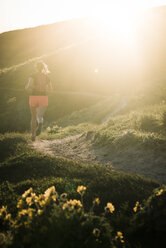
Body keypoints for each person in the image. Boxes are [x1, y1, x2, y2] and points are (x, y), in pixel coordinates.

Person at [25, 61, 52, 141]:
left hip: (34, 97)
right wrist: (43, 88)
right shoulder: (46, 77)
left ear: (36, 67)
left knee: (33, 117)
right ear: (43, 67)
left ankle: (33, 135)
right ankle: (40, 123)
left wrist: (28, 87)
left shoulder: (32, 75)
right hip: (43, 97)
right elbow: (50, 89)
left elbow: (28, 86)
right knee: (39, 115)